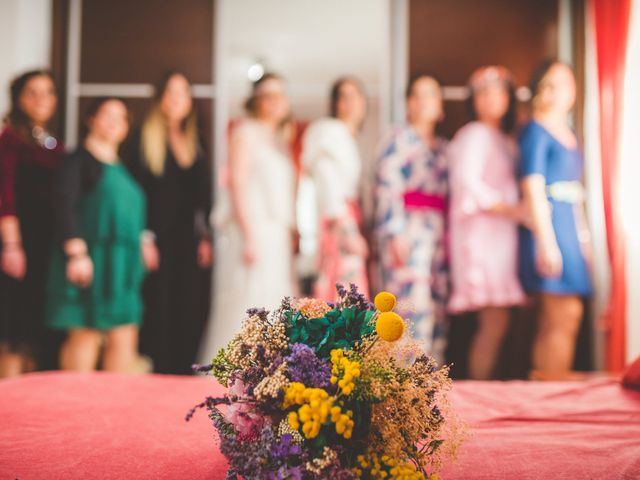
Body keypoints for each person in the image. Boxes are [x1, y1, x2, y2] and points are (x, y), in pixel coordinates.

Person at [46, 97, 149, 372]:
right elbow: (62, 205)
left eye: (122, 117)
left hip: (122, 267)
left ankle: (112, 411)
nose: (115, 122)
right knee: (85, 335)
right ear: (90, 119)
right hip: (90, 260)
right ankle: (75, 408)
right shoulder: (77, 161)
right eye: (107, 115)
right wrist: (76, 254)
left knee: (125, 336)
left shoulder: (124, 167)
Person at [199, 73, 296, 361]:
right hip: (254, 230)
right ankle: (234, 375)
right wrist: (250, 235)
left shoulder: (280, 140)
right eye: (267, 96)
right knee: (249, 301)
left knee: (274, 302)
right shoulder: (246, 132)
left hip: (276, 234)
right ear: (256, 101)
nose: (273, 102)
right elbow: (237, 183)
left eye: (279, 95)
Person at [126, 72, 212, 374]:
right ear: (160, 98)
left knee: (187, 304)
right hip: (155, 236)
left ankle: (182, 371)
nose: (177, 99)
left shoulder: (196, 140)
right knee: (158, 304)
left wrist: (205, 237)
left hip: (187, 240)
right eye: (171, 92)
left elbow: (202, 198)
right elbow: (135, 192)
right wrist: (144, 237)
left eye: (183, 93)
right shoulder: (142, 137)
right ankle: (158, 370)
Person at [447, 66, 526, 379]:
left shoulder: (504, 138)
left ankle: (484, 388)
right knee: (491, 323)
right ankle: (480, 392)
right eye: (483, 92)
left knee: (497, 323)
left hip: (500, 236)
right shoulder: (474, 134)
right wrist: (512, 209)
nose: (491, 98)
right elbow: (467, 183)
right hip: (482, 237)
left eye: (498, 91)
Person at [519, 60, 592, 377]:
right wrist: (547, 243)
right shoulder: (535, 130)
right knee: (561, 311)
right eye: (548, 83)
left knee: (565, 314)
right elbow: (532, 187)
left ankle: (548, 379)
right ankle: (551, 383)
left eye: (563, 82)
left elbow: (575, 192)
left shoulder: (570, 131)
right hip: (549, 227)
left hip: (569, 225)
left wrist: (584, 237)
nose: (556, 90)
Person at [375, 73, 449, 363]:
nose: (424, 101)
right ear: (409, 103)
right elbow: (387, 186)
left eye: (431, 94)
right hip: (408, 231)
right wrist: (394, 232)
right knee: (411, 306)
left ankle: (432, 382)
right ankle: (405, 386)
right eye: (417, 95)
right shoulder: (398, 139)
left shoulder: (442, 147)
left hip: (437, 234)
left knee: (437, 306)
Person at [0, 70, 64, 377]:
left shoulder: (50, 140)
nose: (42, 99)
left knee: (35, 330)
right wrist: (12, 245)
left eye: (48, 92)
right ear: (18, 98)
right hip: (18, 243)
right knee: (14, 329)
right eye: (33, 92)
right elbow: (5, 195)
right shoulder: (9, 138)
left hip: (44, 246)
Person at [302, 77, 369, 301]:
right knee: (345, 293)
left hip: (346, 217)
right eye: (343, 96)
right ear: (335, 103)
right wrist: (346, 227)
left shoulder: (346, 137)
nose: (350, 102)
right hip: (339, 222)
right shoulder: (329, 133)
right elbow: (327, 179)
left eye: (355, 95)